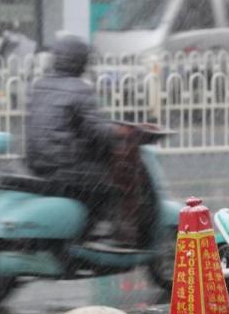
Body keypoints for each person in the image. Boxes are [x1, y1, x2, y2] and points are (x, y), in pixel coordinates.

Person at [24, 33, 142, 250]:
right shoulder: (79, 88)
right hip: (63, 167)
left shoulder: (39, 85)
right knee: (108, 184)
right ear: (80, 62)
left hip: (36, 163)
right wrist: (118, 133)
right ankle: (102, 232)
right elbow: (97, 130)